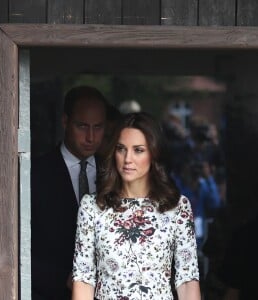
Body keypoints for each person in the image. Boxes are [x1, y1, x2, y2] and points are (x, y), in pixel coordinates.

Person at [72, 112, 201, 300]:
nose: (127, 159)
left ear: (153, 153)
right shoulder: (92, 206)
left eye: (138, 150)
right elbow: (83, 278)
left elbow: (187, 280)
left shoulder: (177, 207)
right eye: (121, 149)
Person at [31, 85, 108, 299]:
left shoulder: (115, 174)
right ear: (65, 121)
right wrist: (63, 279)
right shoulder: (34, 174)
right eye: (82, 126)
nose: (91, 137)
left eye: (98, 127)